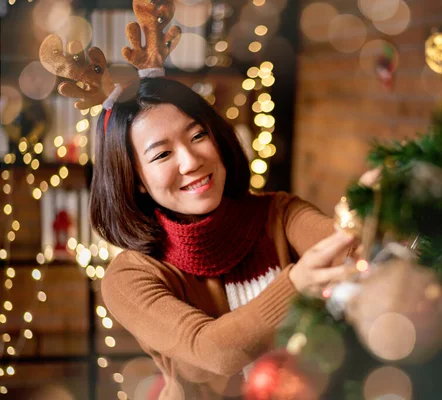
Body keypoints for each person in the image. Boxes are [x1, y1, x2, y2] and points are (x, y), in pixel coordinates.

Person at [90, 77, 357, 399]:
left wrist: (369, 211)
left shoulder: (281, 213)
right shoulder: (131, 277)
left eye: (198, 135)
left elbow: (348, 246)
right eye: (162, 155)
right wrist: (296, 285)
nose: (191, 161)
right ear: (136, 180)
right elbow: (211, 352)